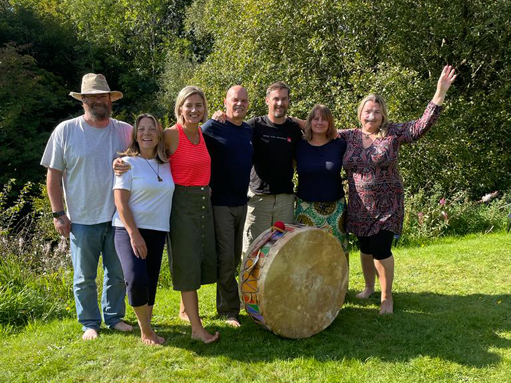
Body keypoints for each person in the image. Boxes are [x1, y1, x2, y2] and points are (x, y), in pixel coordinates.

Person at [340, 65, 457, 314]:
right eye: (367, 111)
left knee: (381, 249)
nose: (371, 116)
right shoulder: (347, 136)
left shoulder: (392, 133)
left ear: (383, 116)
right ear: (360, 114)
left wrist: (440, 92)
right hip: (359, 206)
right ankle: (369, 287)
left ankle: (386, 297)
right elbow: (319, 128)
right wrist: (291, 123)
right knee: (365, 247)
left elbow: (421, 126)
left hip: (387, 205)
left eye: (376, 112)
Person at [41, 73, 133, 340]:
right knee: (84, 278)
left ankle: (114, 317)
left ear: (110, 99)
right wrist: (59, 214)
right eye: (91, 97)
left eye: (102, 96)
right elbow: (53, 176)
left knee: (117, 274)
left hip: (118, 217)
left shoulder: (125, 130)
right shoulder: (66, 130)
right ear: (83, 101)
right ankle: (90, 323)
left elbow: (153, 149)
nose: (97, 101)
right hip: (80, 218)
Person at [213, 82, 302, 251]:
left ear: (289, 101)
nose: (280, 103)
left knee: (282, 251)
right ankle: (250, 279)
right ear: (267, 100)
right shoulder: (253, 126)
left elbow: (319, 126)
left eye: (284, 99)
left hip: (285, 201)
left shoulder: (294, 129)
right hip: (258, 200)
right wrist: (220, 115)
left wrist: (298, 120)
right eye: (276, 98)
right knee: (253, 251)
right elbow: (232, 132)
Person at [164, 86, 220, 343]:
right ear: (180, 108)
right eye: (189, 105)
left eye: (199, 105)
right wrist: (122, 162)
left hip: (201, 203)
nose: (194, 110)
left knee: (198, 257)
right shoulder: (170, 135)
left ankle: (185, 309)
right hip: (181, 204)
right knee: (186, 262)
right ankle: (197, 330)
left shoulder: (201, 133)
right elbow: (142, 148)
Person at [112, 114, 174, 345]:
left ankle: (147, 326)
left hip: (158, 229)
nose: (146, 133)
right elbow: (120, 202)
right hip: (128, 229)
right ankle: (146, 332)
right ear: (135, 136)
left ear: (159, 135)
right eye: (141, 129)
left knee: (150, 279)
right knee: (136, 279)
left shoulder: (167, 163)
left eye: (151, 129)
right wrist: (134, 234)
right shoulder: (127, 163)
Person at [202, 86, 253, 328]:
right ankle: (230, 310)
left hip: (242, 203)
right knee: (225, 258)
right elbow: (188, 144)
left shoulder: (248, 131)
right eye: (235, 100)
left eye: (244, 100)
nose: (239, 104)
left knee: (233, 258)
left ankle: (227, 304)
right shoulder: (212, 127)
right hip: (220, 203)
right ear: (225, 102)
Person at [294, 105, 348, 255]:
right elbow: (286, 120)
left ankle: (339, 280)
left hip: (335, 209)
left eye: (324, 119)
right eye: (315, 119)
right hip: (306, 208)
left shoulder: (340, 144)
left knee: (335, 253)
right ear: (309, 121)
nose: (319, 122)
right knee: (307, 254)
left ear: (330, 123)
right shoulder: (299, 145)